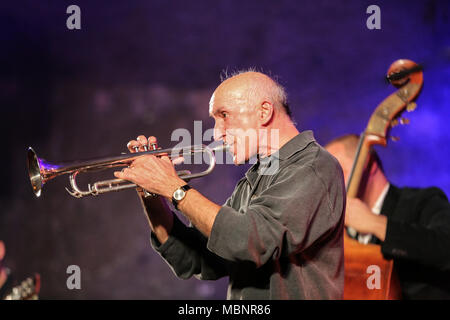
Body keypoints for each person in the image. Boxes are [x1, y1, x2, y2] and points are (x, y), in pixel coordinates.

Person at [114, 71, 346, 300]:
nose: (217, 133)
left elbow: (250, 242)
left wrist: (171, 185)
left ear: (264, 112)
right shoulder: (257, 177)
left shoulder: (314, 166)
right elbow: (197, 260)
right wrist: (151, 192)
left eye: (224, 115)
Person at [325, 134, 450, 299]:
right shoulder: (338, 233)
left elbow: (444, 248)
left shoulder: (422, 201)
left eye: (338, 172)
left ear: (368, 163)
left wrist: (376, 224)